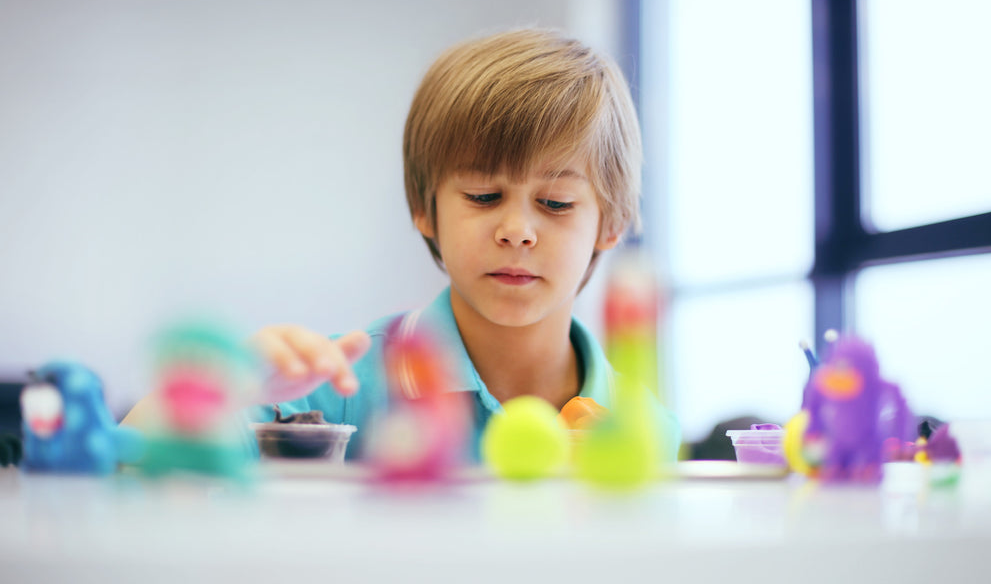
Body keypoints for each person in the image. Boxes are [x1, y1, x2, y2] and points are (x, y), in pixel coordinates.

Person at [124, 28, 681, 462]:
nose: (517, 230)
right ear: (424, 208)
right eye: (484, 195)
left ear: (612, 222)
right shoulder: (339, 387)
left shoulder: (642, 424)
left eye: (556, 203)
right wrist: (224, 390)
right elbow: (122, 465)